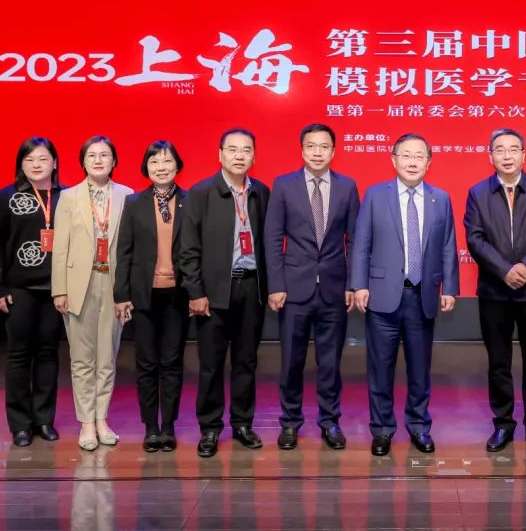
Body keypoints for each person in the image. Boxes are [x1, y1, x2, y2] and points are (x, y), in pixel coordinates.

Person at [350, 133, 459, 456]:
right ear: (394, 159)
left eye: (419, 156)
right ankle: (382, 429)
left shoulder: (441, 198)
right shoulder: (375, 195)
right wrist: (359, 284)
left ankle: (419, 426)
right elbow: (361, 244)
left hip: (422, 295)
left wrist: (450, 287)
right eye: (406, 155)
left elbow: (448, 246)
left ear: (429, 162)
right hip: (382, 295)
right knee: (380, 368)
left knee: (420, 369)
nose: (412, 162)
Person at [463, 129, 526, 453]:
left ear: (524, 155)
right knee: (498, 362)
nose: (506, 156)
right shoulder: (477, 193)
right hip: (495, 292)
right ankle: (503, 425)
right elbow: (475, 238)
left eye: (513, 149)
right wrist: (504, 270)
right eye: (500, 150)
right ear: (490, 155)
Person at [265, 123, 360, 451]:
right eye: (311, 146)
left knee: (330, 362)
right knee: (291, 360)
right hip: (294, 289)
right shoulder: (284, 185)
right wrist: (276, 284)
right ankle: (290, 422)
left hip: (334, 288)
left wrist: (353, 283)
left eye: (324, 146)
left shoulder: (347, 186)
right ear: (302, 150)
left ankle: (330, 421)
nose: (317, 152)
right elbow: (273, 238)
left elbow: (355, 240)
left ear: (333, 151)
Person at [179, 129, 271, 458]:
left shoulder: (261, 192)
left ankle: (243, 423)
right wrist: (195, 292)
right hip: (214, 291)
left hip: (251, 287)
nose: (239, 156)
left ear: (254, 156)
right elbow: (188, 249)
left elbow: (269, 243)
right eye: (232, 150)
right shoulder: (201, 192)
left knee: (246, 361)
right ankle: (210, 427)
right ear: (219, 154)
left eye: (246, 150)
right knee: (211, 363)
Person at [52, 136, 133, 452]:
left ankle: (102, 419)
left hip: (113, 285)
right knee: (82, 359)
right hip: (78, 285)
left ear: (114, 161)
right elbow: (60, 247)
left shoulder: (127, 195)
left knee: (107, 358)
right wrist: (60, 290)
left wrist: (127, 291)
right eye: (92, 156)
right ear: (83, 162)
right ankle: (86, 422)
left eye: (105, 155)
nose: (98, 160)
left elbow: (131, 248)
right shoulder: (69, 197)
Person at [0, 137, 64, 447]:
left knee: (48, 353)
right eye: (29, 160)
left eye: (42, 159)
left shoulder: (67, 197)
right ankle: (20, 424)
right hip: (19, 289)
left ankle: (44, 419)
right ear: (21, 165)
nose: (36, 165)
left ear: (54, 163)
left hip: (56, 289)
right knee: (19, 355)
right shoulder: (7, 196)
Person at [114, 140, 189, 453]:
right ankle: (151, 427)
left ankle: (168, 426)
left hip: (178, 294)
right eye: (154, 161)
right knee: (146, 364)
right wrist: (121, 294)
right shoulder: (134, 203)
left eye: (167, 161)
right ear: (146, 167)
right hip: (143, 295)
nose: (161, 167)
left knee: (172, 362)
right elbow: (124, 251)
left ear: (177, 165)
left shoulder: (190, 200)